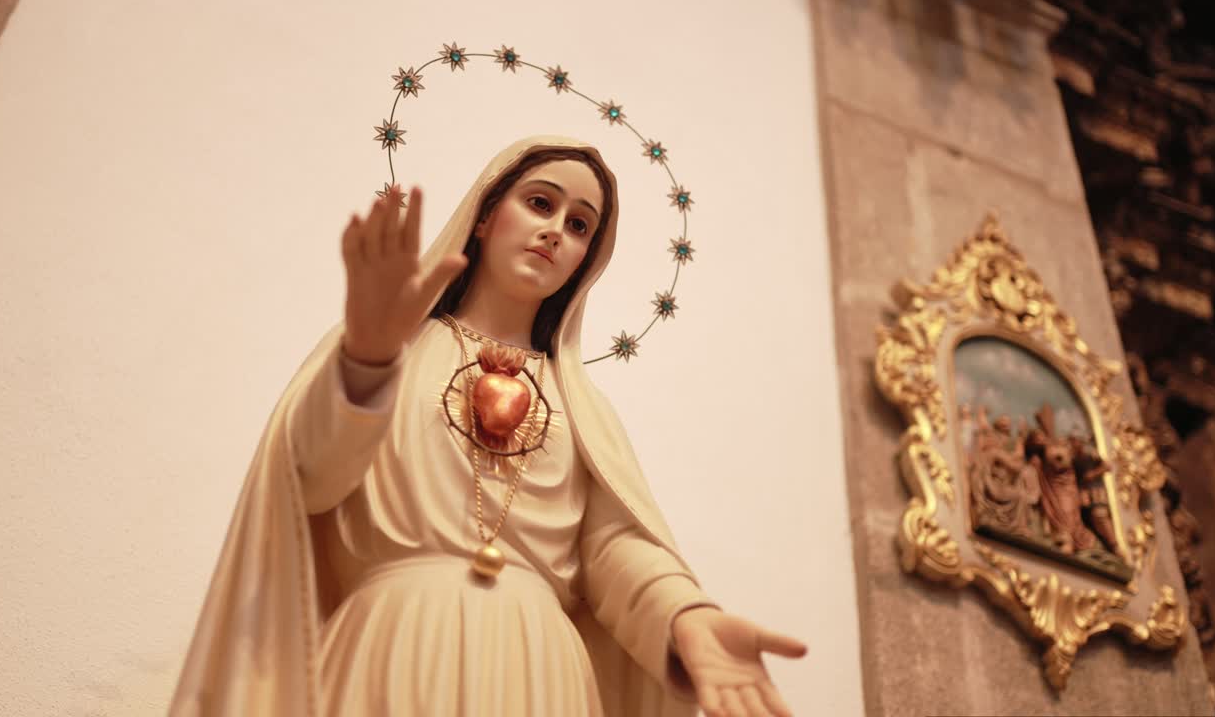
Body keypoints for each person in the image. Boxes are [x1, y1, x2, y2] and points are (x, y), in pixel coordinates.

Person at [169, 136, 806, 717]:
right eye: (540, 203)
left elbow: (613, 550)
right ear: (484, 214)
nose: (555, 231)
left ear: (585, 260)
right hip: (394, 643)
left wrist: (686, 617)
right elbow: (307, 478)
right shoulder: (391, 349)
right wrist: (366, 361)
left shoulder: (580, 406)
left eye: (579, 225)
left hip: (537, 669)